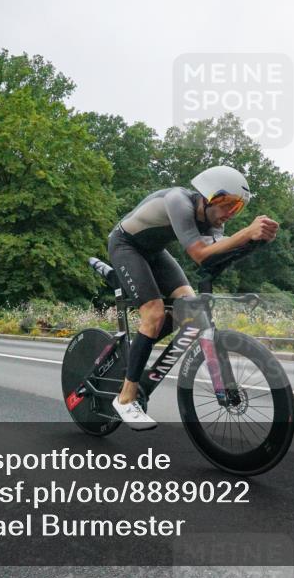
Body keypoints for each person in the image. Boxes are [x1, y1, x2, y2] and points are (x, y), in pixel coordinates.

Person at [107, 166, 278, 430]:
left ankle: (141, 343)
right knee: (154, 313)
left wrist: (255, 242)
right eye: (228, 205)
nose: (230, 213)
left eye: (237, 208)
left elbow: (214, 260)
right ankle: (125, 399)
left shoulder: (213, 223)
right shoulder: (178, 200)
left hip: (155, 252)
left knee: (190, 308)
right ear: (209, 196)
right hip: (125, 245)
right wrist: (246, 233)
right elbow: (199, 254)